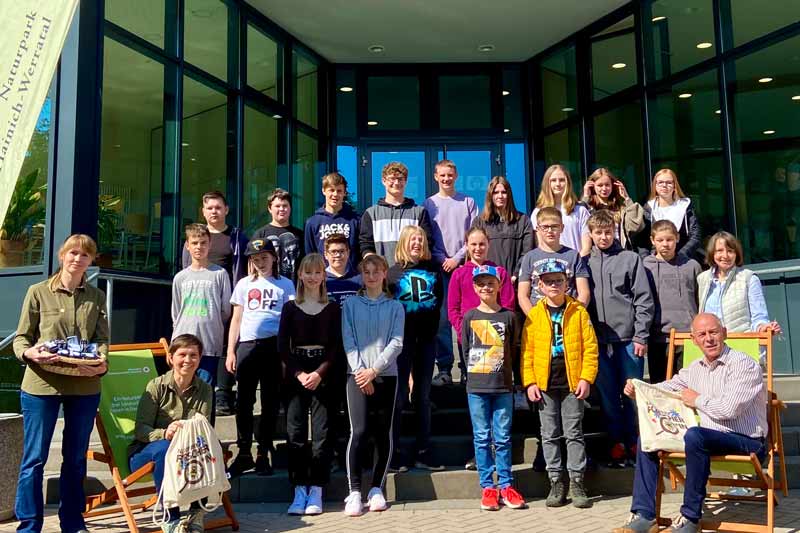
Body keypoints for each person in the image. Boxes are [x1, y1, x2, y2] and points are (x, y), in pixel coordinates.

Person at [614, 314, 768, 533]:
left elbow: (729, 409)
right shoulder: (694, 369)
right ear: (694, 340)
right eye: (702, 335)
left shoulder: (744, 365)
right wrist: (638, 388)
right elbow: (667, 388)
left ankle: (690, 518)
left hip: (746, 441)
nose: (709, 339)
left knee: (696, 435)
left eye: (713, 332)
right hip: (707, 439)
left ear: (724, 333)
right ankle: (644, 516)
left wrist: (696, 399)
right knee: (649, 438)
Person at [13, 234, 109, 533]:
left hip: (84, 386)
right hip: (41, 386)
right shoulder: (38, 292)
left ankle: (73, 522)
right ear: (61, 256)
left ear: (91, 261)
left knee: (76, 460)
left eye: (85, 255)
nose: (78, 259)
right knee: (34, 460)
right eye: (73, 253)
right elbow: (21, 338)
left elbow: (102, 340)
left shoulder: (97, 296)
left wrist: (102, 363)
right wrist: (29, 353)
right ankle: (29, 526)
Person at [521, 260, 598, 509]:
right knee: (549, 434)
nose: (554, 285)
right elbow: (527, 352)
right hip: (545, 383)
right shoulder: (534, 315)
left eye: (558, 281)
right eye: (548, 281)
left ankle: (577, 480)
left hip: (572, 382)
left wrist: (586, 378)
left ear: (567, 284)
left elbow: (590, 348)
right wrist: (530, 382)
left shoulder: (578, 312)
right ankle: (555, 481)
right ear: (540, 286)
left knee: (574, 433)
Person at [585, 210, 654, 467]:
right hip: (599, 342)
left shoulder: (630, 259)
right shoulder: (584, 263)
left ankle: (637, 443)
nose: (603, 237)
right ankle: (616, 443)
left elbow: (643, 299)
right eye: (598, 233)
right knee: (608, 396)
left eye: (608, 232)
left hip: (628, 340)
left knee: (633, 394)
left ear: (614, 232)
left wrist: (641, 335)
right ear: (591, 234)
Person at [225, 238, 295, 477]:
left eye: (265, 257)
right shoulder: (244, 284)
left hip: (274, 347)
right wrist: (231, 351)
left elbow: (290, 319)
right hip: (248, 346)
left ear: (274, 258)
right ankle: (244, 451)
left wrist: (287, 353)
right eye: (255, 259)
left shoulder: (285, 284)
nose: (261, 262)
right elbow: (236, 319)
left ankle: (263, 452)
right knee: (244, 401)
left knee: (270, 402)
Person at [128, 334, 212, 533]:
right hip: (146, 452)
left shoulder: (205, 389)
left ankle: (196, 511)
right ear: (171, 357)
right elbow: (141, 429)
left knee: (206, 446)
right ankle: (171, 517)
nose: (188, 360)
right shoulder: (156, 386)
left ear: (200, 359)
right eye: (182, 354)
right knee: (166, 449)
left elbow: (204, 427)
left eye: (193, 355)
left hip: (187, 451)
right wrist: (165, 433)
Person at [342, 255, 405, 517]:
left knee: (382, 432)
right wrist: (361, 372)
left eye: (375, 271)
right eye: (366, 272)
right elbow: (348, 339)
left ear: (384, 274)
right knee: (359, 431)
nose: (371, 276)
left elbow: (396, 342)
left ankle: (376, 488)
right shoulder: (350, 305)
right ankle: (355, 490)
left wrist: (374, 371)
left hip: (385, 375)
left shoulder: (395, 306)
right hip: (356, 376)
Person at [279, 254, 341, 516]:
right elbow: (283, 346)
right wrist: (299, 374)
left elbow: (336, 346)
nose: (313, 277)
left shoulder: (333, 308)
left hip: (323, 373)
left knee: (321, 434)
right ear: (300, 275)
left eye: (318, 272)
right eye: (308, 272)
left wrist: (318, 374)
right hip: (296, 373)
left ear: (324, 276)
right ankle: (298, 489)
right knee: (295, 433)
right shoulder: (290, 307)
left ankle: (316, 488)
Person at [462, 265, 526, 511]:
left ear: (499, 285)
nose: (486, 288)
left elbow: (513, 350)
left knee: (503, 437)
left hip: (503, 387)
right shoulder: (470, 317)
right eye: (481, 284)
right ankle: (488, 487)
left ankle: (506, 485)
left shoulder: (509, 317)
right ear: (474, 288)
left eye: (491, 283)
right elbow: (466, 351)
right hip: (477, 387)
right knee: (481, 437)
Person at [181, 191, 248, 417]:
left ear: (226, 210)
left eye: (218, 207)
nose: (214, 211)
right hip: (201, 302)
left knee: (227, 346)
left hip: (229, 299)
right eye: (210, 208)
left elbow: (244, 266)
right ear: (203, 211)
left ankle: (224, 393)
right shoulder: (197, 237)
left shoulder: (236, 237)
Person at [387, 226, 444, 471]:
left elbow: (438, 303)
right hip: (401, 343)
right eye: (412, 239)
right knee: (398, 396)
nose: (417, 243)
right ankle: (394, 451)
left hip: (426, 341)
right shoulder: (392, 273)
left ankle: (423, 450)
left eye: (421, 240)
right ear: (403, 243)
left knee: (422, 396)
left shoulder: (433, 270)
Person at [423, 159, 478, 389]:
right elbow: (427, 238)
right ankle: (445, 369)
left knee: (467, 317)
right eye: (442, 175)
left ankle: (468, 368)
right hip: (440, 269)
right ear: (436, 177)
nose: (446, 179)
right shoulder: (429, 204)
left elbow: (475, 234)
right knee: (443, 320)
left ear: (456, 176)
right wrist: (442, 259)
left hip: (464, 267)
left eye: (450, 175)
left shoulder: (468, 202)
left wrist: (457, 258)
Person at [447, 226, 516, 387]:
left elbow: (508, 305)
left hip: (496, 337)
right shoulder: (459, 274)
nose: (478, 248)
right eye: (473, 244)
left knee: (496, 382)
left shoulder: (499, 273)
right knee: (473, 383)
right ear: (466, 245)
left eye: (482, 244)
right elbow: (453, 309)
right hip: (470, 338)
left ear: (488, 244)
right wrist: (464, 332)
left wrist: (497, 331)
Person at [172, 224, 232, 391]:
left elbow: (225, 310)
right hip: (183, 343)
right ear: (187, 246)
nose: (199, 247)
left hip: (209, 344)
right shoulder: (180, 277)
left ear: (210, 244)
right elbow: (176, 312)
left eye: (203, 242)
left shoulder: (220, 274)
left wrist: (211, 322)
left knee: (205, 390)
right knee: (182, 389)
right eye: (195, 243)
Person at [643, 220, 702, 383]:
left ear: (677, 238)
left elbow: (700, 299)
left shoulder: (692, 266)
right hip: (658, 338)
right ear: (652, 240)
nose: (665, 244)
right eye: (660, 240)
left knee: (688, 385)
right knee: (660, 386)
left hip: (687, 336)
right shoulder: (645, 267)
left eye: (669, 239)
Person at [698, 231, 782, 337]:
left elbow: (759, 317)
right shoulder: (702, 279)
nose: (725, 255)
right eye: (720, 250)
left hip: (741, 343)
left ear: (736, 254)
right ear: (712, 253)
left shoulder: (749, 278)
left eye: (730, 251)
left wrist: (764, 327)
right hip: (711, 343)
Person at [518, 207, 591, 316]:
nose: (550, 231)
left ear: (562, 228)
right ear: (537, 229)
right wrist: (535, 318)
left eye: (554, 226)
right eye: (545, 227)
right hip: (539, 316)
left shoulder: (573, 255)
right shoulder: (529, 257)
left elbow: (584, 293)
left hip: (569, 315)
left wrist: (575, 315)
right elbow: (522, 296)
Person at [359, 161, 433, 268]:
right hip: (380, 273)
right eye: (392, 179)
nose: (397, 182)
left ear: (405, 181)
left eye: (400, 179)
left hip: (411, 273)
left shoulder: (419, 212)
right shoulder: (371, 213)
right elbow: (366, 245)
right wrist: (374, 265)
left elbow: (426, 243)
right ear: (383, 181)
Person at [471, 175, 534, 284]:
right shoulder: (479, 222)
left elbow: (527, 253)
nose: (500, 196)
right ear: (490, 195)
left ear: (509, 195)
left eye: (504, 192)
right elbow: (474, 252)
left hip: (514, 282)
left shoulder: (523, 221)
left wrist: (515, 275)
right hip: (486, 282)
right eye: (496, 192)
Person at [637, 168, 701, 261]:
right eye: (660, 182)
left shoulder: (685, 206)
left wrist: (680, 256)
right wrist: (647, 260)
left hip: (683, 260)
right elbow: (642, 240)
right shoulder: (648, 209)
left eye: (669, 182)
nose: (664, 185)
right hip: (656, 261)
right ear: (655, 185)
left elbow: (695, 237)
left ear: (675, 185)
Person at [304, 172, 360, 273]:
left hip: (351, 277)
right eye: (331, 190)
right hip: (323, 277)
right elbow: (310, 255)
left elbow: (359, 252)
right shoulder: (312, 223)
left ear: (344, 193)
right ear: (323, 191)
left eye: (339, 191)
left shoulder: (355, 220)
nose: (335, 194)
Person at [532, 164, 592, 256]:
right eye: (553, 180)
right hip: (549, 263)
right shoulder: (538, 212)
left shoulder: (580, 211)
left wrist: (575, 262)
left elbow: (586, 248)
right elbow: (540, 246)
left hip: (577, 263)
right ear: (547, 183)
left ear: (568, 183)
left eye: (562, 180)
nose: (558, 184)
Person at [581, 167, 644, 250]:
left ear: (612, 186)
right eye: (600, 185)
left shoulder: (621, 206)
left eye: (607, 185)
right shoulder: (589, 207)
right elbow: (582, 225)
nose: (604, 189)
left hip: (620, 251)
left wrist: (627, 198)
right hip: (596, 252)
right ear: (593, 187)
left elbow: (635, 227)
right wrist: (586, 197)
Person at [252, 188, 305, 282]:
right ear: (269, 208)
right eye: (277, 206)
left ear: (290, 208)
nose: (281, 209)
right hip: (268, 286)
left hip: (295, 287)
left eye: (285, 206)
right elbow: (252, 265)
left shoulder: (300, 235)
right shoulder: (260, 234)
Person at [323, 233, 362, 308]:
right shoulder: (319, 280)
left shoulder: (359, 279)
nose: (338, 255)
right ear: (326, 254)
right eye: (333, 251)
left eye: (342, 251)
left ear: (348, 253)